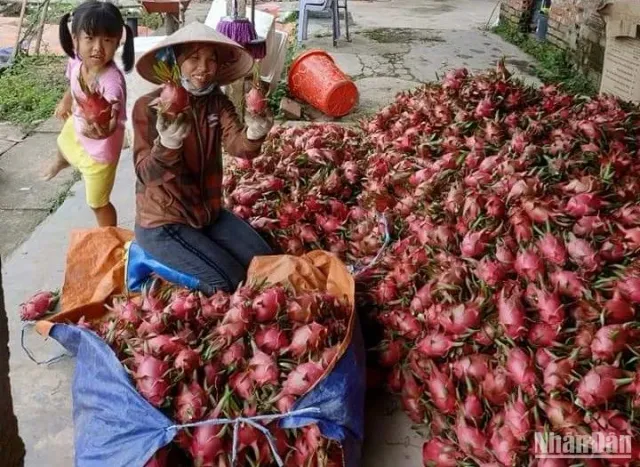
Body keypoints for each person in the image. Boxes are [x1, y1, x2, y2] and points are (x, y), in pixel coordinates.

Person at [132, 22, 274, 295]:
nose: (203, 68)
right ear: (176, 62)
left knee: (265, 263)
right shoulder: (148, 109)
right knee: (229, 282)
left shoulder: (216, 103)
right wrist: (167, 145)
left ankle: (197, 256)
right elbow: (146, 174)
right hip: (164, 223)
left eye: (211, 60)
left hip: (207, 214)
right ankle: (151, 269)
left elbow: (238, 146)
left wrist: (255, 134)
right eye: (194, 58)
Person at [43, 0, 133, 227]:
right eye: (90, 38)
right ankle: (61, 161)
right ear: (75, 39)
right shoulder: (75, 60)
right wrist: (66, 101)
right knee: (63, 141)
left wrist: (104, 130)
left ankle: (108, 236)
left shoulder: (112, 83)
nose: (98, 48)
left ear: (118, 42)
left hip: (100, 149)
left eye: (107, 40)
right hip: (78, 125)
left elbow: (112, 118)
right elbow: (71, 83)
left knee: (98, 203)